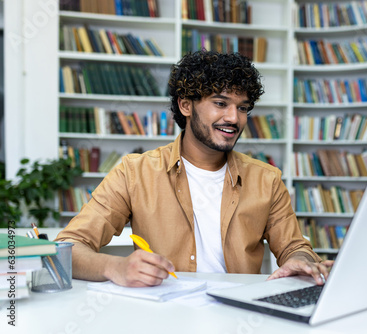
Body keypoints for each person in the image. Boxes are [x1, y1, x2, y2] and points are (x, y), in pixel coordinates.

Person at [56, 50, 333, 287]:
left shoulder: (266, 179)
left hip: (237, 316)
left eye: (243, 107)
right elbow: (68, 248)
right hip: (166, 314)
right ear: (186, 105)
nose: (233, 118)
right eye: (221, 103)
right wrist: (113, 267)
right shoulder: (135, 172)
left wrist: (302, 263)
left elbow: (295, 247)